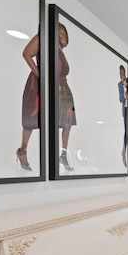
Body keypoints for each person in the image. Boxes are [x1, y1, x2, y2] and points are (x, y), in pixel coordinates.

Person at [16, 32, 40, 171]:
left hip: (52, 84)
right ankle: (23, 150)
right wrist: (40, 75)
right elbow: (26, 53)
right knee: (31, 117)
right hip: (36, 83)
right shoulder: (41, 37)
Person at [57, 23, 76, 171]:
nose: (64, 37)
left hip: (65, 88)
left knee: (67, 123)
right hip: (58, 87)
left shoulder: (61, 52)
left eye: (65, 34)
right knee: (58, 121)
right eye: (61, 34)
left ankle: (63, 154)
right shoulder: (54, 52)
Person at [118, 65, 128, 167]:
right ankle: (123, 152)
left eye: (123, 73)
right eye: (120, 74)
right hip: (125, 110)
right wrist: (125, 93)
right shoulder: (119, 84)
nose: (122, 76)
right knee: (126, 131)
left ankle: (124, 152)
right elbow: (120, 99)